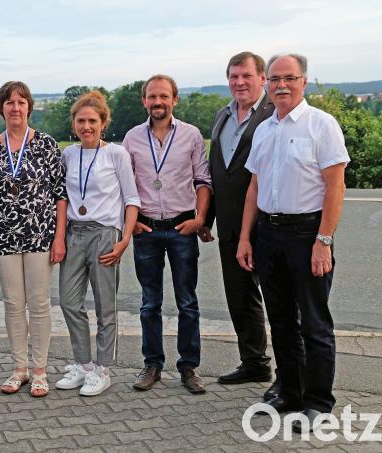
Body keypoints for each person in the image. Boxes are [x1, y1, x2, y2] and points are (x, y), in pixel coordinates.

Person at [236, 54, 349, 432]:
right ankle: (290, 389)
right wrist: (245, 238)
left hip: (307, 234)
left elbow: (335, 186)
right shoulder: (265, 129)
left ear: (302, 81)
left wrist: (324, 240)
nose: (281, 85)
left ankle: (318, 402)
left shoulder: (322, 125)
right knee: (281, 320)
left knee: (314, 323)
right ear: (267, 82)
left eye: (290, 78)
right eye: (275, 79)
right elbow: (254, 187)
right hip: (268, 234)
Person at [0, 81, 67, 398]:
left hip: (41, 235)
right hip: (3, 238)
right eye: (9, 102)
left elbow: (60, 195)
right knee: (14, 303)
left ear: (30, 107)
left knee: (39, 303)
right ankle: (19, 369)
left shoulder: (46, 145)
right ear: (1, 108)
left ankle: (40, 370)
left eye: (21, 101)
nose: (15, 107)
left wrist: (60, 238)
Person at [123, 74, 212, 394]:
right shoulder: (132, 138)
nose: (157, 102)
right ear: (144, 101)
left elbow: (203, 181)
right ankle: (153, 364)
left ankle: (189, 367)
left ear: (175, 99)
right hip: (146, 229)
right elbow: (124, 185)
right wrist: (130, 223)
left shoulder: (191, 135)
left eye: (163, 96)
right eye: (151, 97)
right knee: (150, 303)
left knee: (187, 302)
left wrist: (200, 219)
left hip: (181, 228)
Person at [199, 52, 280, 397]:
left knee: (279, 301)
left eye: (246, 75)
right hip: (231, 226)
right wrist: (208, 217)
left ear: (262, 78)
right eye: (233, 76)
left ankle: (288, 376)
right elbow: (220, 172)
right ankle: (255, 362)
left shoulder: (275, 114)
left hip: (269, 225)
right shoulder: (222, 116)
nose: (239, 82)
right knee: (240, 297)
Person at [56, 91, 140, 396]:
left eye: (92, 120)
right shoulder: (67, 154)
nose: (86, 126)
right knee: (68, 301)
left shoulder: (116, 154)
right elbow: (61, 198)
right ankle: (84, 364)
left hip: (105, 234)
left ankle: (103, 368)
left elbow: (131, 199)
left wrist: (124, 239)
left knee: (106, 307)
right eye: (81, 120)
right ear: (74, 123)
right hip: (74, 233)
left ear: (103, 122)